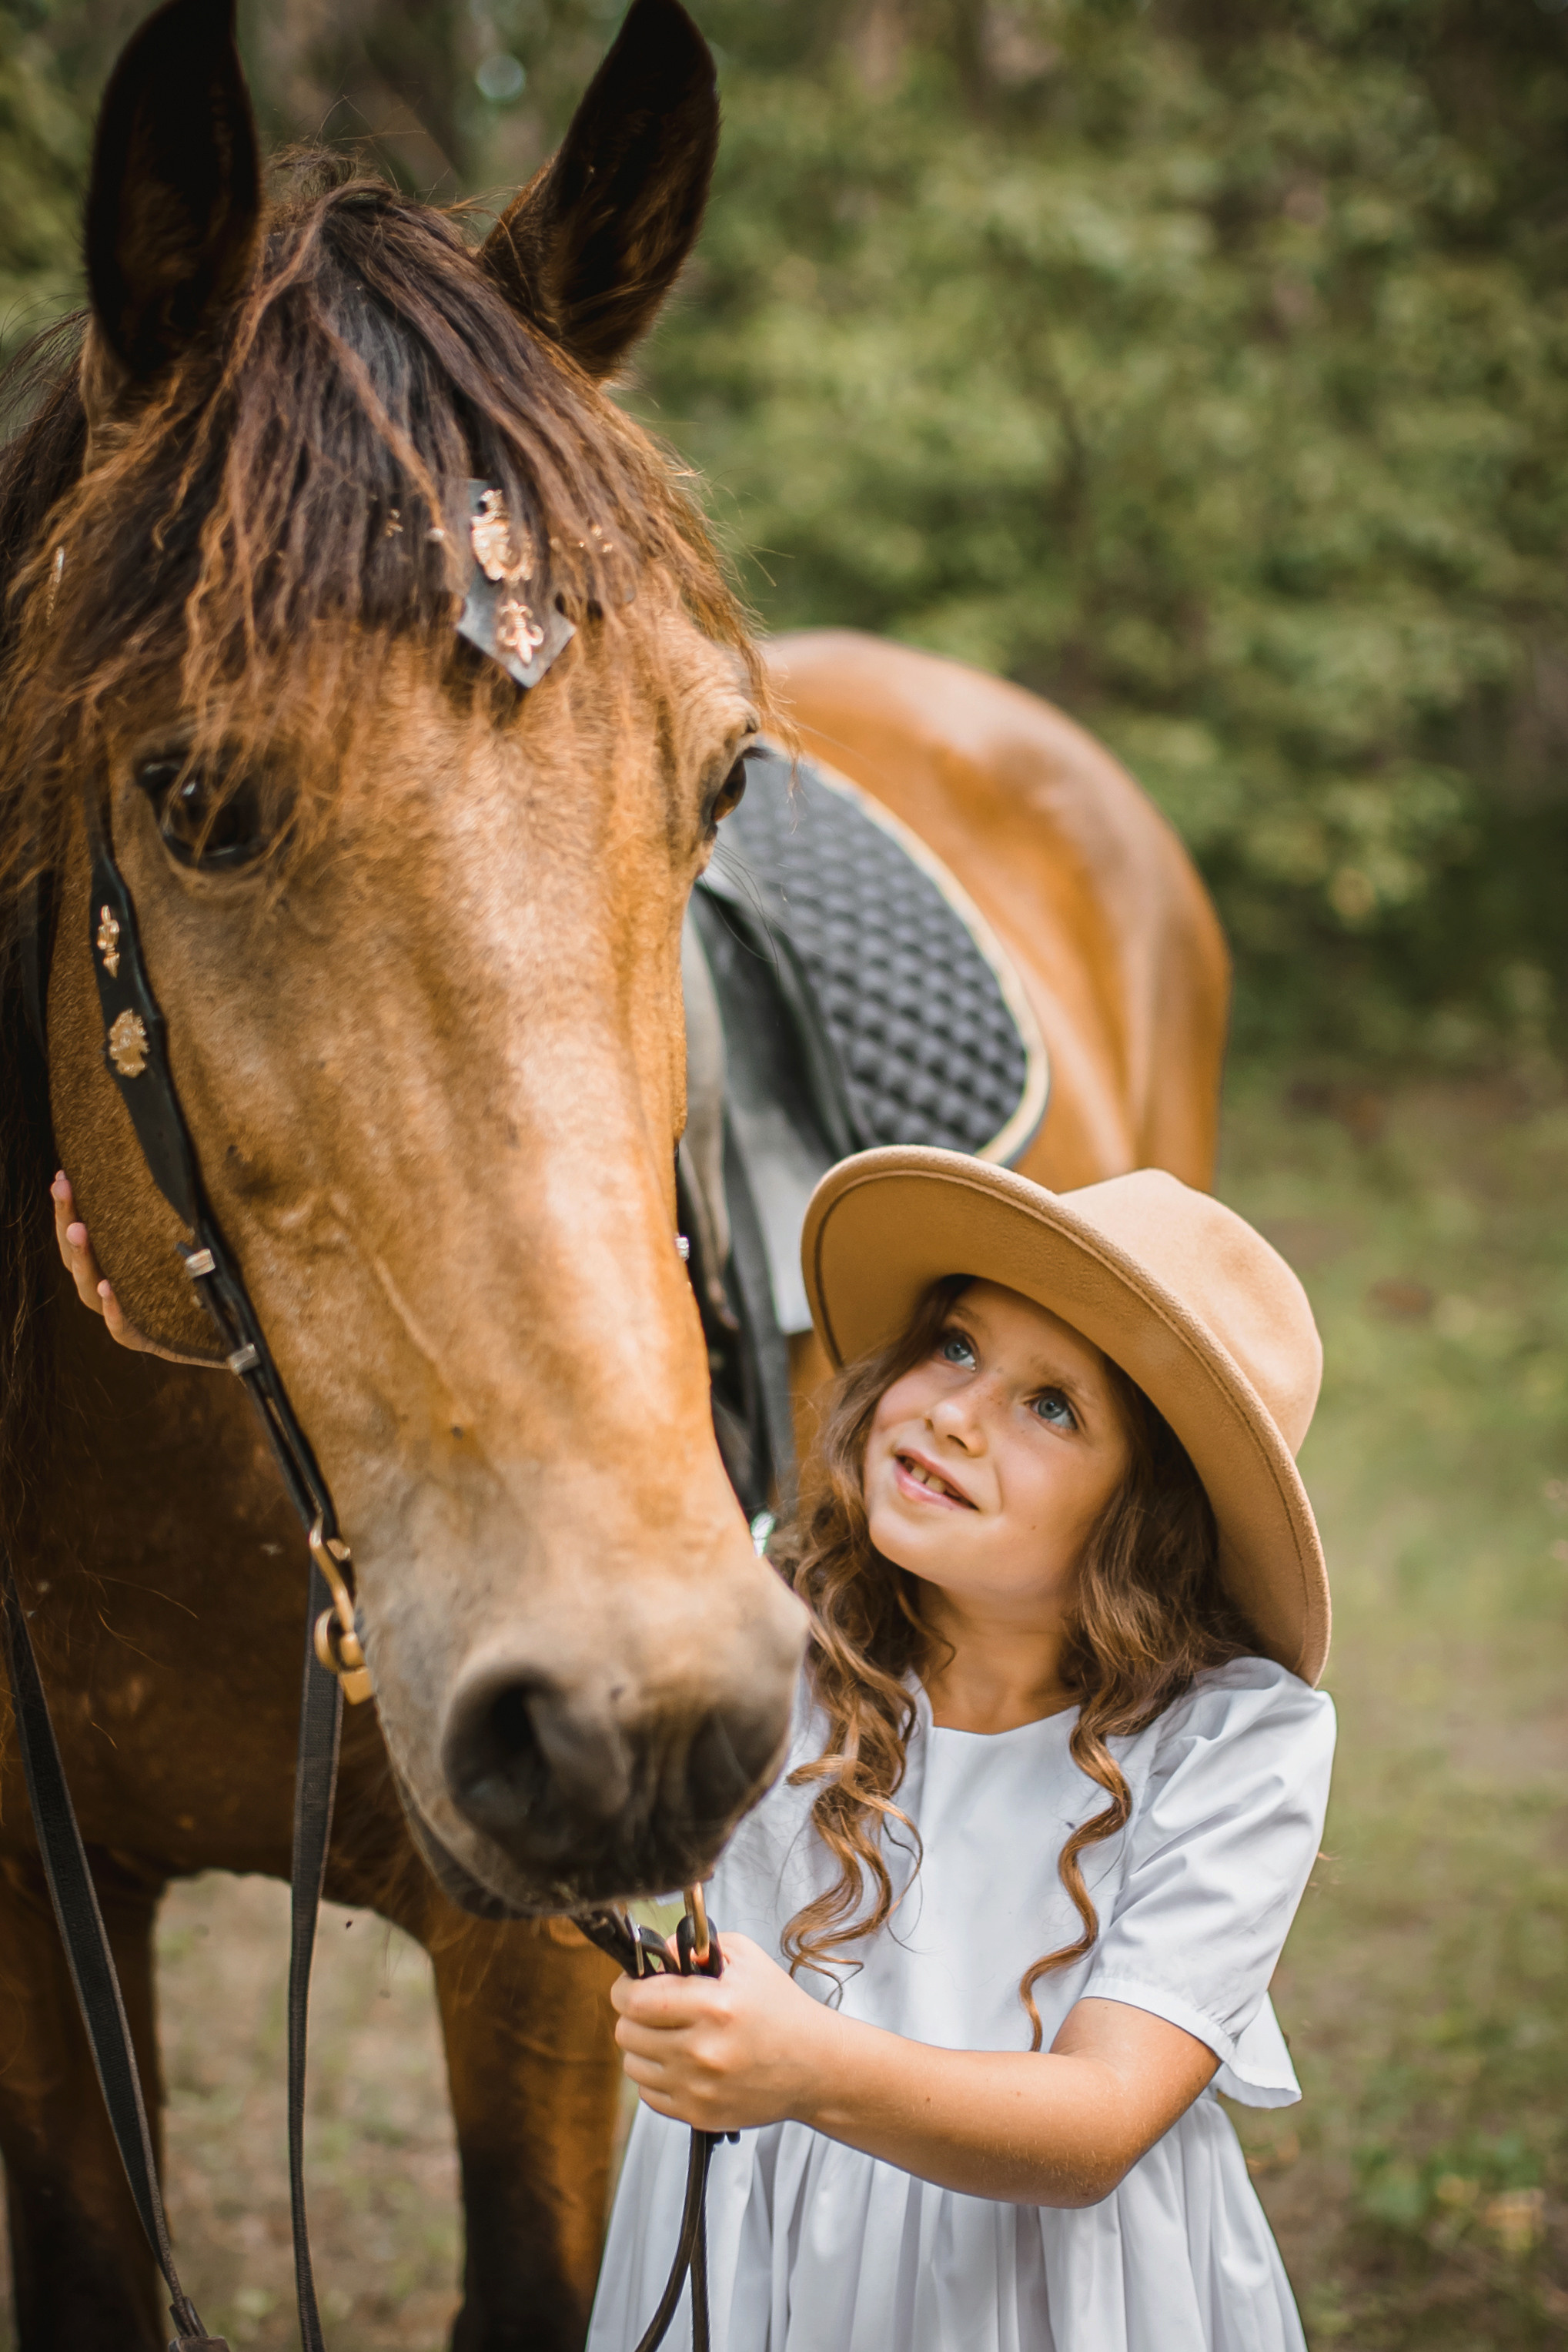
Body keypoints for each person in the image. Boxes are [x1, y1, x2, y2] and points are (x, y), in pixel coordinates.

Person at [590, 1145, 1335, 2352]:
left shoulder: (1232, 1741)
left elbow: (1098, 2127)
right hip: (746, 2252)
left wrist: (809, 2069)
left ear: (1146, 1519)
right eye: (957, 1346)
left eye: (1050, 1406)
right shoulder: (765, 1645)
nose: (952, 1414)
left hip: (1048, 2297)